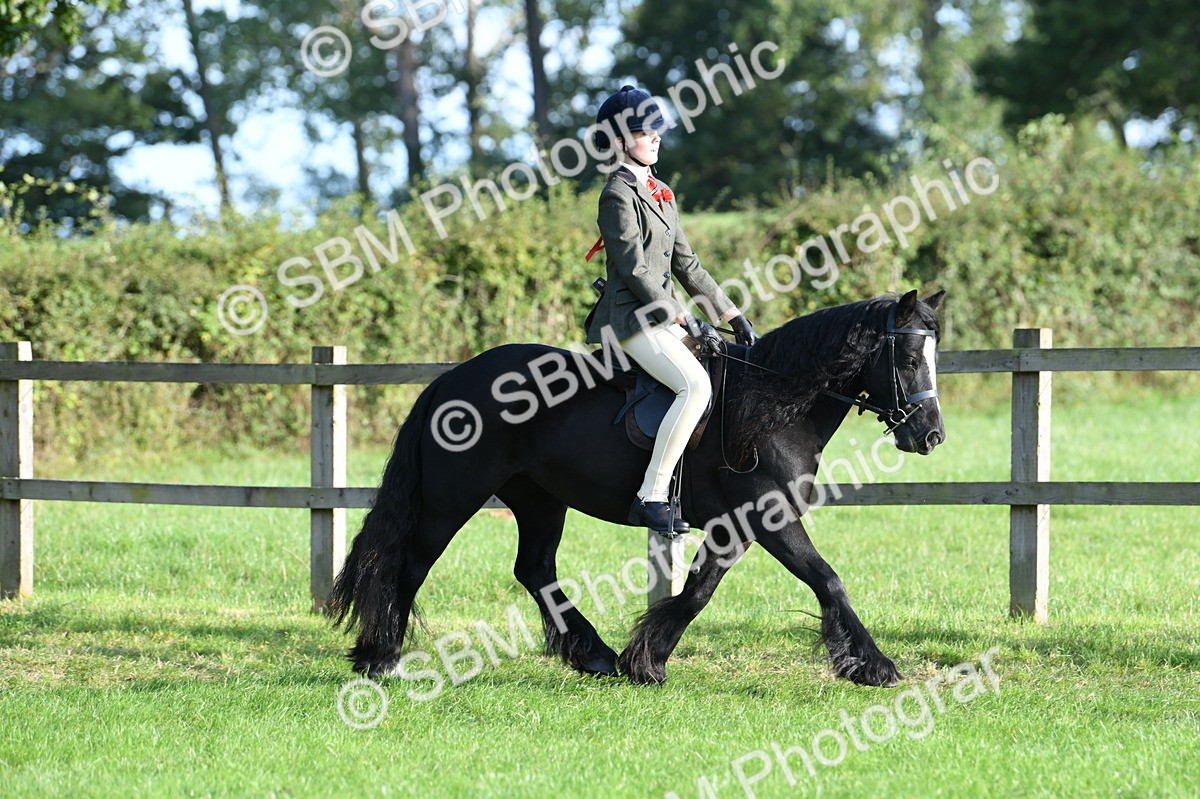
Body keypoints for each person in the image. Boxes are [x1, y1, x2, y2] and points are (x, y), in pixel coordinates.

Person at [584, 85, 759, 537]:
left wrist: (730, 313)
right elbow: (634, 268)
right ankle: (651, 495)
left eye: (657, 131)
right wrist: (681, 315)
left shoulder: (662, 191)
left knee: (719, 373)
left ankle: (694, 487)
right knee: (695, 385)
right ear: (621, 141)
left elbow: (687, 263)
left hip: (663, 315)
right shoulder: (616, 195)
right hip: (630, 319)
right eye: (645, 133)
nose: (656, 139)